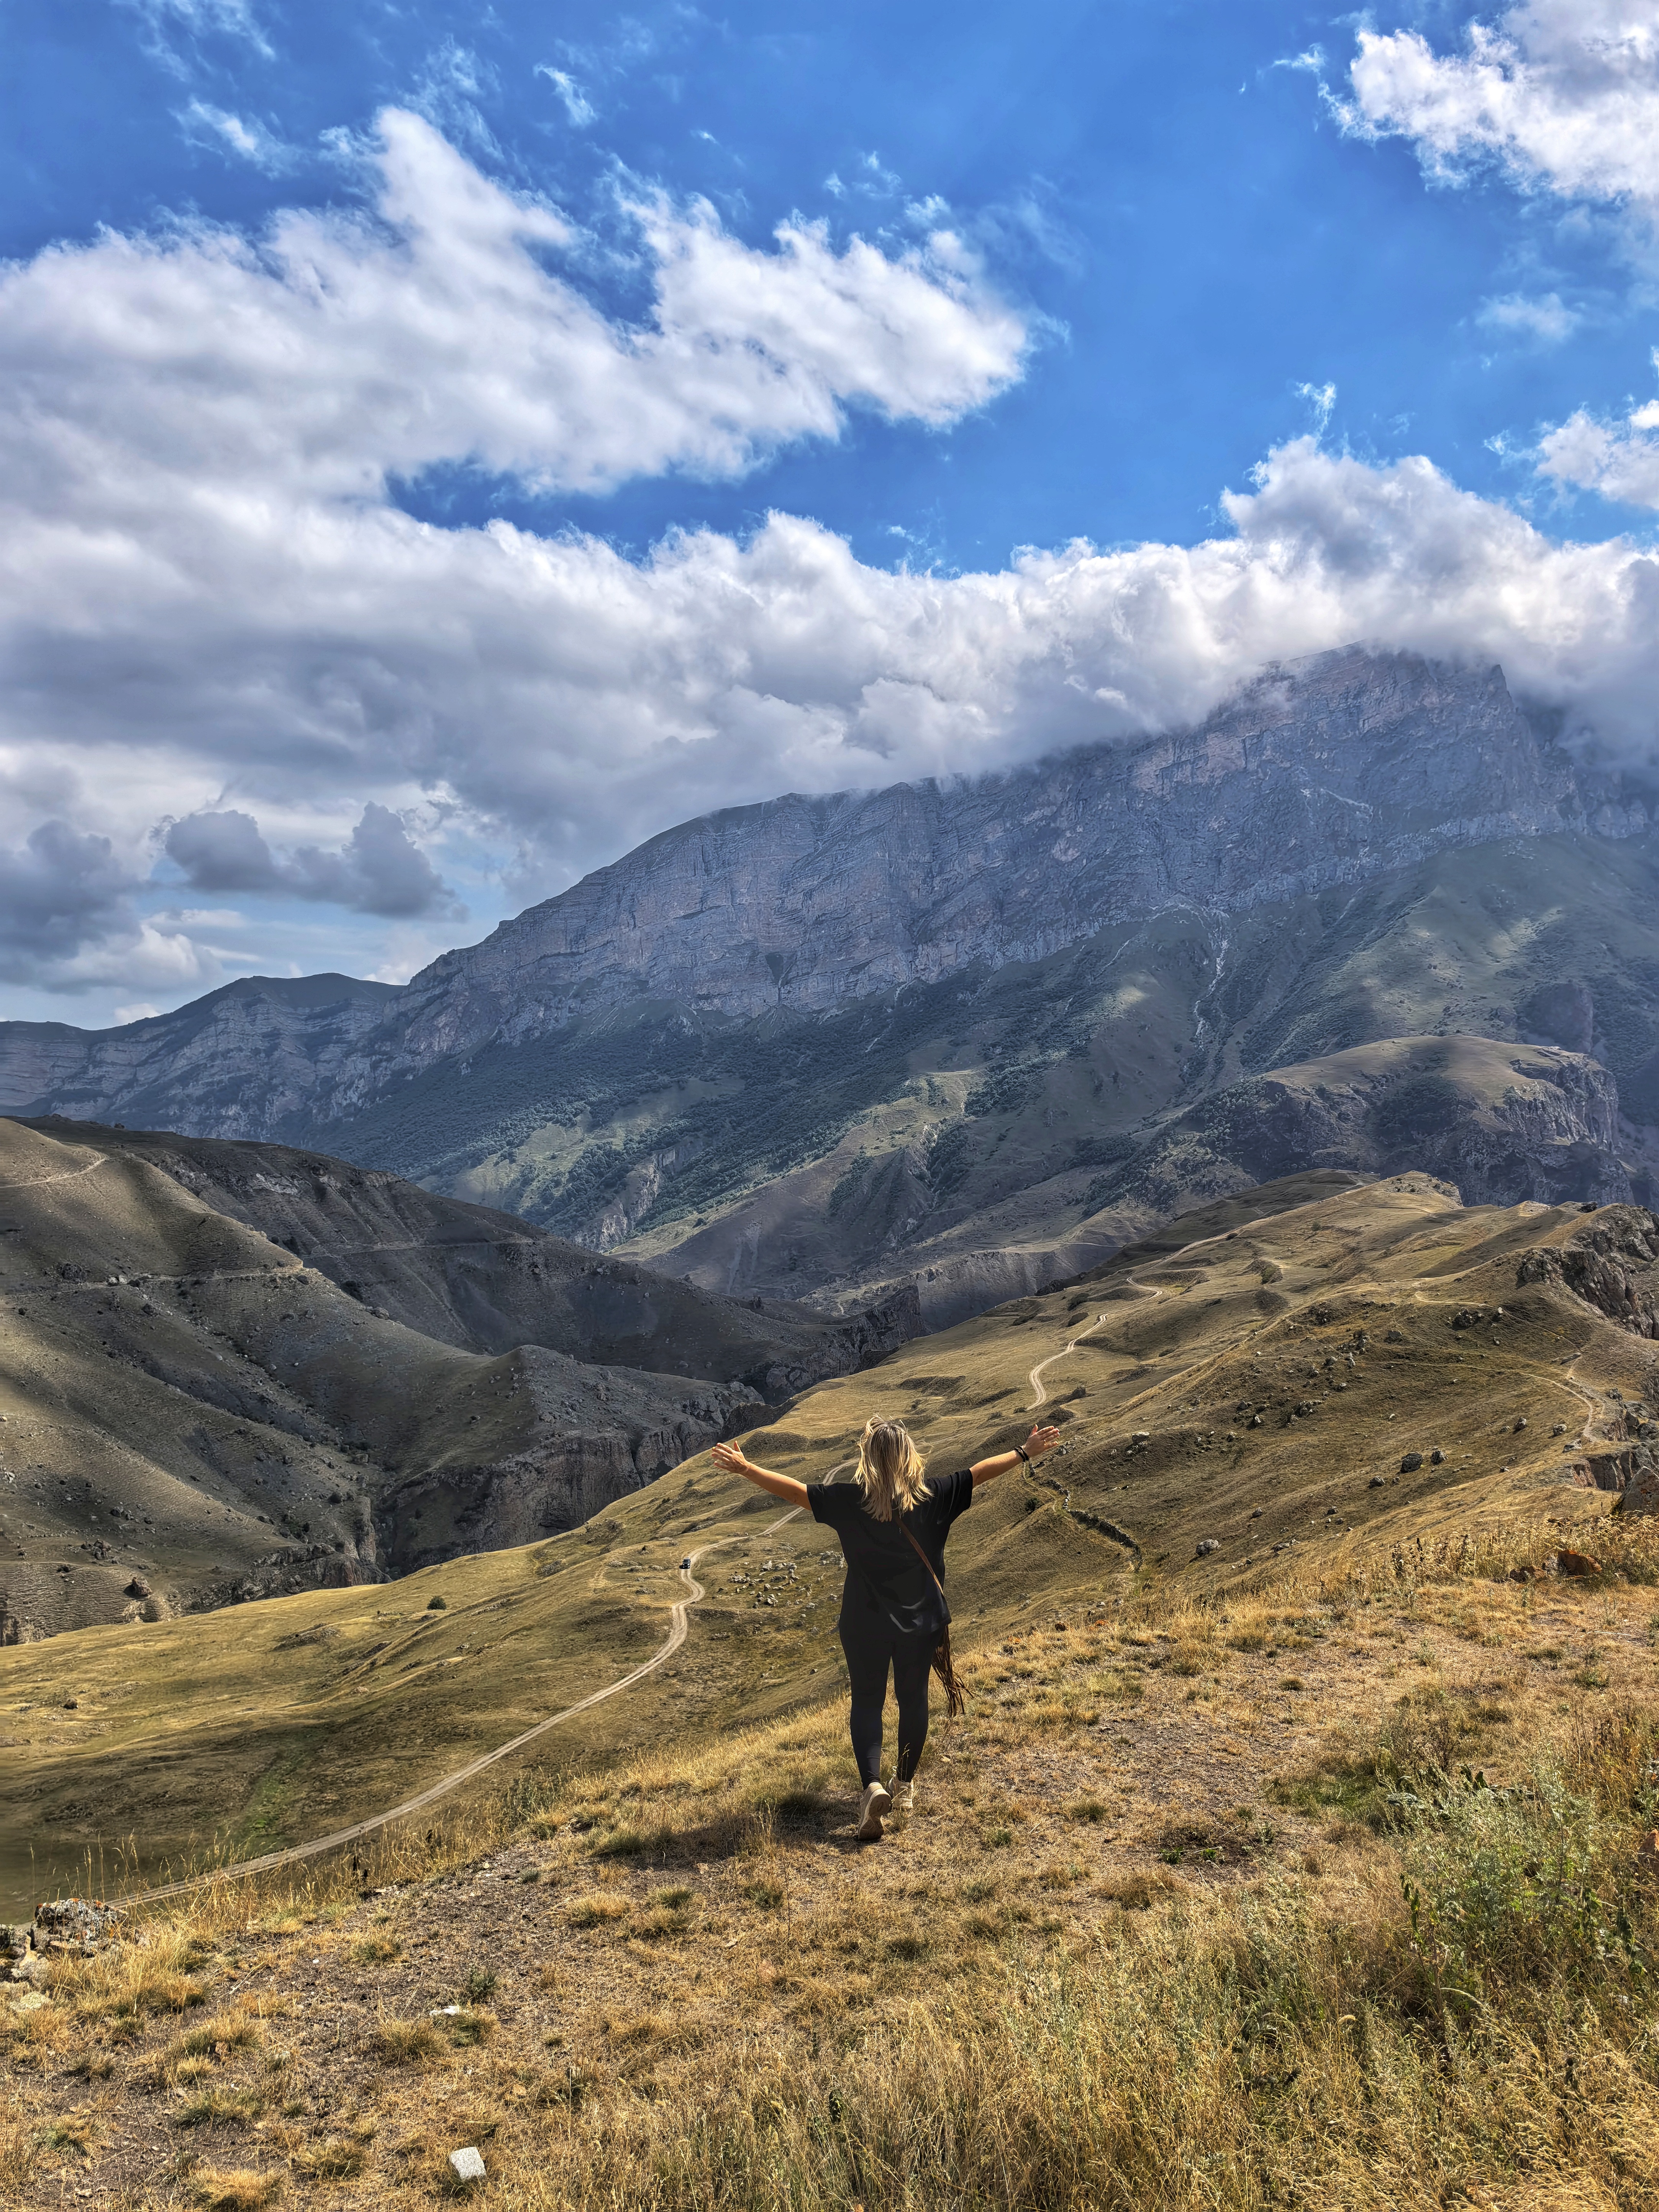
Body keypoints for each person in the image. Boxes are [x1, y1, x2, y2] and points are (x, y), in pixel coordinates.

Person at [710, 1416, 1062, 1840]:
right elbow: (981, 1471)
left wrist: (746, 1469)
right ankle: (905, 1786)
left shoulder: (848, 1501)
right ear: (910, 1456)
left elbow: (796, 1492)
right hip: (922, 1623)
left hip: (864, 1623)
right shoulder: (935, 1496)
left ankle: (871, 1786)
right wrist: (1026, 1451)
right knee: (912, 1701)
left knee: (867, 1703)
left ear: (868, 1459)